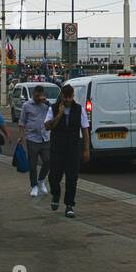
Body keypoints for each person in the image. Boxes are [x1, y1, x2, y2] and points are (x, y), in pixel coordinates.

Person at [44, 83, 90, 217]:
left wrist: (86, 149)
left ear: (73, 96)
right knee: (54, 176)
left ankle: (69, 205)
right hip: (57, 148)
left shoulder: (79, 109)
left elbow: (85, 130)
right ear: (62, 96)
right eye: (66, 97)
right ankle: (56, 194)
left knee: (72, 178)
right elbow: (47, 127)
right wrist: (59, 115)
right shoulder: (53, 109)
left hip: (73, 148)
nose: (68, 100)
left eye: (70, 97)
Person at [16, 85, 52, 197]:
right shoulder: (27, 105)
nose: (38, 98)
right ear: (33, 94)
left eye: (40, 95)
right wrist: (21, 136)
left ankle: (41, 180)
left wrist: (47, 102)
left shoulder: (46, 105)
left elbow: (53, 112)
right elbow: (22, 122)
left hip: (45, 137)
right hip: (32, 138)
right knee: (33, 164)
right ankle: (34, 186)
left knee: (47, 161)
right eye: (36, 95)